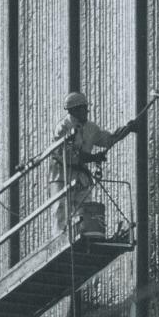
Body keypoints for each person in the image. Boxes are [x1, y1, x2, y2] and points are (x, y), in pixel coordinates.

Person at [50, 91, 136, 233]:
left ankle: (84, 233)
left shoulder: (91, 128)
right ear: (73, 110)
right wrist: (93, 158)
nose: (85, 112)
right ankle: (60, 239)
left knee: (83, 206)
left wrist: (126, 129)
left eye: (85, 108)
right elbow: (69, 154)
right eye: (81, 108)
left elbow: (108, 139)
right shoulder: (63, 128)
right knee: (62, 209)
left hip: (80, 173)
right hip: (62, 173)